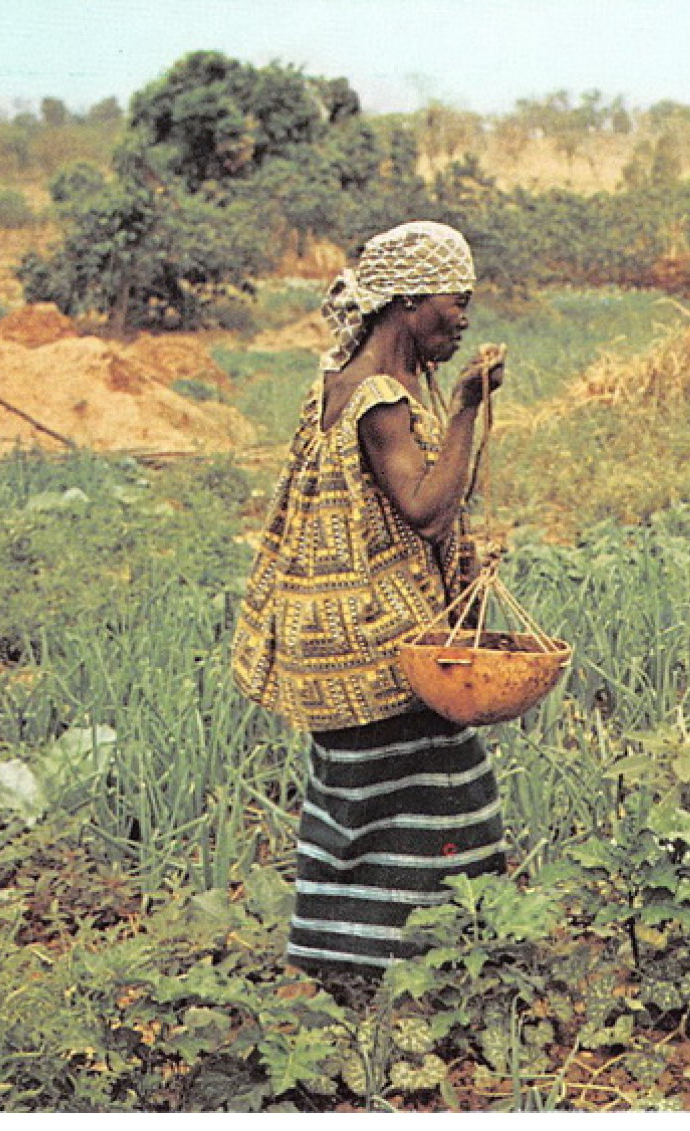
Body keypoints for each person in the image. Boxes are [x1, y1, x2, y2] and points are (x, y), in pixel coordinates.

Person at [230, 220, 507, 984]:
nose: (463, 316)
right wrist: (463, 411)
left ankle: (360, 962)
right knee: (429, 801)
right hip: (379, 646)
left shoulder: (344, 378)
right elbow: (423, 509)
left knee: (361, 804)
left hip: (347, 638)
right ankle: (406, 966)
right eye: (456, 299)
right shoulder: (381, 398)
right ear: (409, 299)